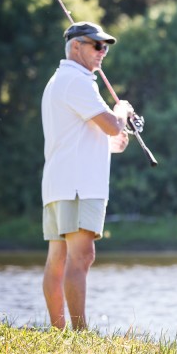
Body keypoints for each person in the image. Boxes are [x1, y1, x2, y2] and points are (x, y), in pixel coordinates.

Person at [41, 21, 134, 330]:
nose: (102, 52)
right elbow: (112, 123)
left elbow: (77, 138)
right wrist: (122, 110)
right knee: (82, 257)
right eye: (96, 45)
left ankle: (59, 333)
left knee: (58, 260)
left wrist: (109, 146)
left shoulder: (58, 81)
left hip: (59, 185)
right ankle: (80, 337)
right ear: (75, 46)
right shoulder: (78, 81)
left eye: (105, 46)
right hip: (79, 187)